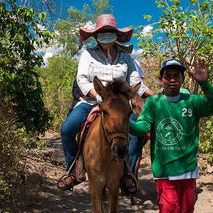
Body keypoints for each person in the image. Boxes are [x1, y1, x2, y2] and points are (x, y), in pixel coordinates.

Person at [129, 58, 213, 213]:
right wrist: (125, 123)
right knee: (170, 211)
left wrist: (204, 82)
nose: (172, 80)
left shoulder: (192, 101)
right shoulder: (154, 103)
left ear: (182, 79)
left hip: (188, 168)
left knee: (187, 209)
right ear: (161, 80)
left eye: (176, 76)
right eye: (167, 76)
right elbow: (143, 126)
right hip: (164, 171)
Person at [58, 14, 154, 190]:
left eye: (110, 31)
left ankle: (128, 174)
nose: (106, 34)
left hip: (119, 103)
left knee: (137, 132)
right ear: (96, 35)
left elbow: (135, 82)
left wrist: (153, 95)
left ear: (116, 34)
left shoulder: (126, 58)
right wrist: (98, 95)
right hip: (92, 100)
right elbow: (82, 79)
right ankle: (73, 171)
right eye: (103, 31)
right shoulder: (88, 54)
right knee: (66, 130)